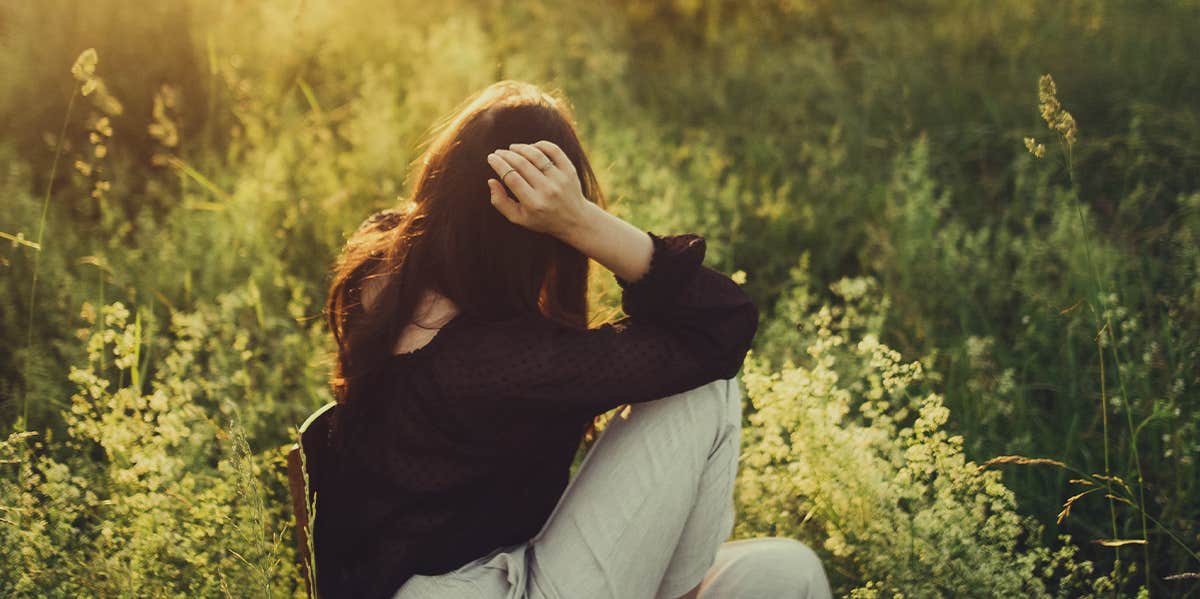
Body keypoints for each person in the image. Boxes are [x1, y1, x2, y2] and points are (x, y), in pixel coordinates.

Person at [316, 80, 832, 599]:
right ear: (529, 226)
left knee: (790, 569)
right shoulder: (494, 358)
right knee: (702, 387)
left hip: (500, 569)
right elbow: (718, 327)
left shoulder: (384, 264)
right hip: (474, 589)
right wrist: (581, 220)